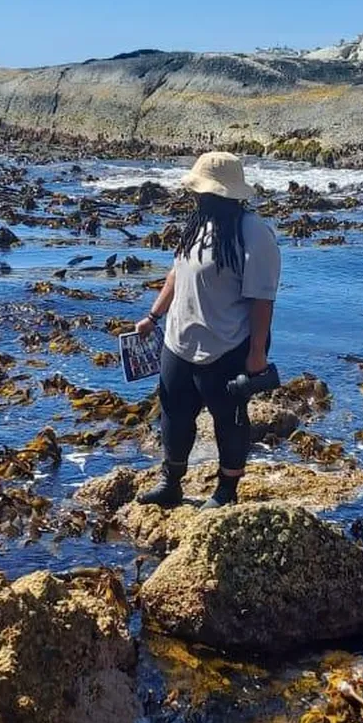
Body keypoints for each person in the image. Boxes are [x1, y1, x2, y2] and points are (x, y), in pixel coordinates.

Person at [135, 152, 281, 509]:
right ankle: (171, 484)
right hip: (178, 340)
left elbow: (262, 300)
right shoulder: (199, 222)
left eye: (202, 192)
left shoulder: (253, 233)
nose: (196, 198)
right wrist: (153, 316)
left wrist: (257, 354)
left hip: (225, 345)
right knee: (173, 413)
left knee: (228, 420)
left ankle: (226, 492)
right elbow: (176, 273)